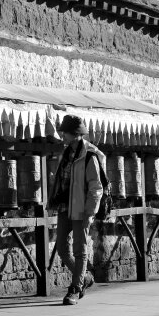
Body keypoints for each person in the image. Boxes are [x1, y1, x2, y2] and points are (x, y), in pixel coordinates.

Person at [49, 114, 105, 305]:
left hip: (81, 208)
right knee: (63, 248)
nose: (61, 135)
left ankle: (75, 288)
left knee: (79, 249)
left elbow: (96, 187)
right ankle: (85, 278)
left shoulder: (89, 155)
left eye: (64, 132)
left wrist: (90, 213)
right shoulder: (65, 153)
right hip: (65, 206)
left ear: (75, 134)